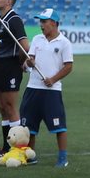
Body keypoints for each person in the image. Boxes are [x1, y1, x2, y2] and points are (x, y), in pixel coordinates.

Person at [20, 8, 74, 166]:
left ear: (54, 23)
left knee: (59, 127)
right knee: (29, 126)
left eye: (44, 21)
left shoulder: (64, 42)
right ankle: (30, 156)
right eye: (40, 21)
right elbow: (29, 61)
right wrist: (28, 63)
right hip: (32, 88)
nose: (41, 24)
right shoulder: (37, 39)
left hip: (52, 91)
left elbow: (69, 66)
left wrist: (53, 79)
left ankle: (63, 158)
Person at [0, 0, 29, 153]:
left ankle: (18, 148)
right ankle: (6, 146)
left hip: (9, 66)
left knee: (10, 107)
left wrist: (19, 63)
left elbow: (24, 46)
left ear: (9, 1)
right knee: (3, 108)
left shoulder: (14, 19)